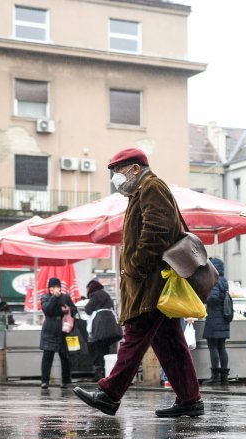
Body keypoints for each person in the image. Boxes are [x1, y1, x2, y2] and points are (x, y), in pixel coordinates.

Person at [73, 148, 204, 418]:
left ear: (134, 169)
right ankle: (190, 399)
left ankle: (109, 394)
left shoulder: (151, 187)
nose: (116, 178)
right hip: (151, 281)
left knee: (134, 337)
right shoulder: (142, 190)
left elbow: (156, 231)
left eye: (118, 172)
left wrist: (135, 266)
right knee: (170, 343)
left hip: (150, 283)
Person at [39, 277, 78, 390]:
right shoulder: (45, 297)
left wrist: (68, 309)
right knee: (47, 357)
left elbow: (74, 310)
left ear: (60, 288)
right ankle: (44, 381)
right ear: (49, 288)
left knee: (65, 357)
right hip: (49, 330)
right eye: (52, 287)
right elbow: (47, 310)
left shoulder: (66, 297)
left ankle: (66, 380)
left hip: (63, 331)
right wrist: (54, 298)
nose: (55, 289)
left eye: (57, 287)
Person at [83, 278, 121, 382]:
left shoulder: (96, 295)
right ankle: (106, 373)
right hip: (111, 328)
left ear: (91, 288)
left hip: (101, 327)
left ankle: (98, 375)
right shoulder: (106, 295)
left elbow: (88, 309)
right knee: (105, 349)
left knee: (98, 349)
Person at [201, 257, 231, 386]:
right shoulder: (224, 281)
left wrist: (204, 296)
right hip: (223, 319)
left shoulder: (214, 281)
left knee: (213, 347)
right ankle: (224, 377)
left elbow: (212, 298)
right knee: (221, 347)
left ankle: (215, 377)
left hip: (214, 318)